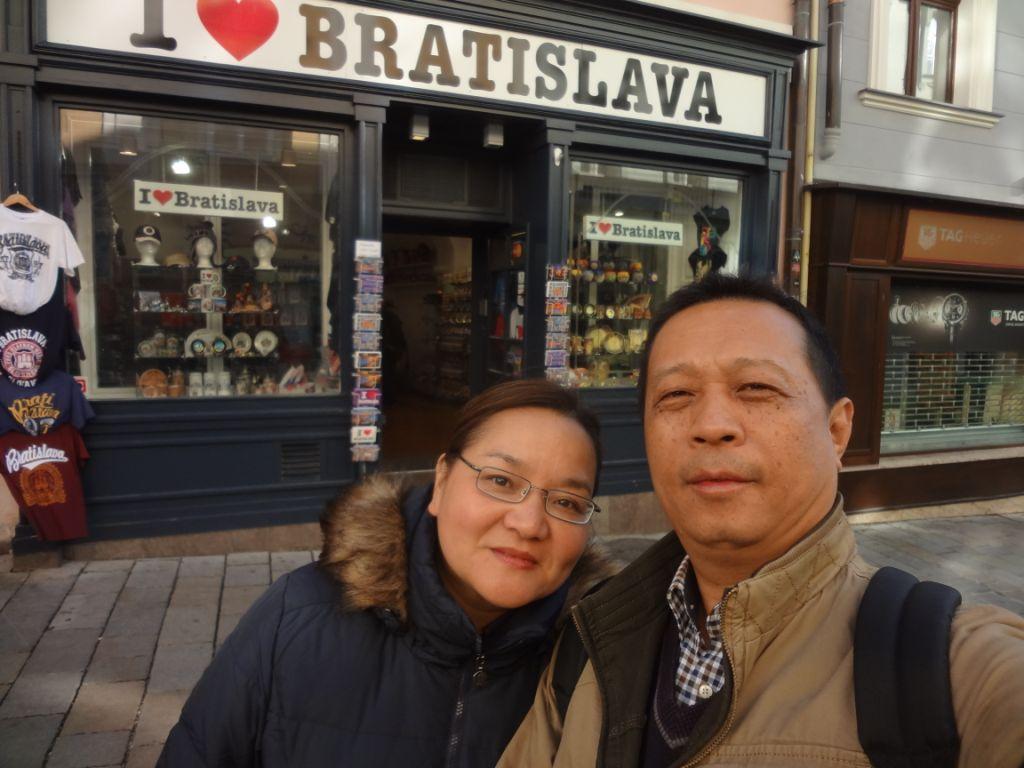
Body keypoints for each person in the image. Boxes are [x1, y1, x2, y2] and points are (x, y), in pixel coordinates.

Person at [499, 274, 1024, 767]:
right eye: (676, 395)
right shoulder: (589, 641)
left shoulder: (953, 668)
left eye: (756, 387)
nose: (711, 425)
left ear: (837, 432)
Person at [158, 379, 617, 767]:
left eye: (566, 502)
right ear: (442, 482)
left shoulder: (604, 664)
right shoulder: (295, 619)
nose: (529, 524)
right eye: (500, 481)